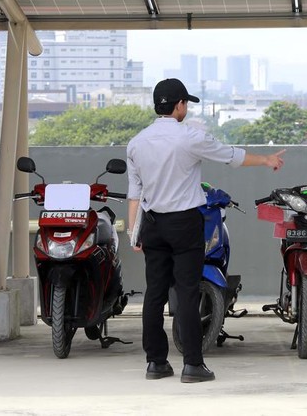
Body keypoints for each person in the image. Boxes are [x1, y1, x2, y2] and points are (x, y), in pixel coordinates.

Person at [127, 78, 285, 383]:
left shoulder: (137, 142)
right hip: (184, 223)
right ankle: (192, 365)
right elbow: (231, 156)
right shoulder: (190, 138)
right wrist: (267, 159)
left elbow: (135, 193)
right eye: (186, 103)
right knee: (187, 292)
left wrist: (135, 233)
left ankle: (156, 363)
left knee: (155, 294)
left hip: (152, 225)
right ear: (179, 105)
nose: (186, 107)